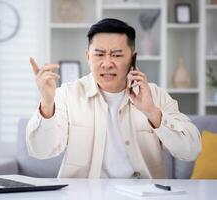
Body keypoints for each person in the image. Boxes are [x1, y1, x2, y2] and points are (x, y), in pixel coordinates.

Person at [26, 18, 201, 179]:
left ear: (132, 57)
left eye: (117, 55)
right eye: (99, 54)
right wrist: (47, 104)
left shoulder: (155, 95)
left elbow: (191, 151)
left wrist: (152, 113)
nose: (107, 63)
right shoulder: (67, 95)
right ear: (88, 56)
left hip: (144, 195)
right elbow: (41, 151)